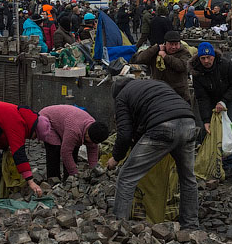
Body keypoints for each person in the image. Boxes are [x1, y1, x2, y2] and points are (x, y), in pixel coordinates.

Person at [105, 77, 198, 227]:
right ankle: (191, 224)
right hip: (189, 123)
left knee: (126, 177)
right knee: (188, 178)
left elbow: (124, 135)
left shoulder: (122, 97)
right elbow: (146, 120)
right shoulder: (156, 84)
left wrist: (115, 158)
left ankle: (119, 226)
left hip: (163, 127)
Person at [35, 105, 107, 179]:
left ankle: (67, 178)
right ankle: (53, 179)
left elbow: (93, 150)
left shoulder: (95, 129)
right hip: (47, 120)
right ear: (87, 135)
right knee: (55, 149)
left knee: (74, 148)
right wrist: (74, 173)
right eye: (91, 141)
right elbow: (65, 152)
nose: (92, 144)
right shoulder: (74, 130)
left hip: (65, 121)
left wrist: (94, 169)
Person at [191, 42, 232, 135]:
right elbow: (202, 97)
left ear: (213, 56)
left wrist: (223, 101)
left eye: (209, 57)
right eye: (203, 58)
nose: (206, 61)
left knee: (229, 125)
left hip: (229, 98)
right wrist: (206, 120)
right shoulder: (197, 72)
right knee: (209, 127)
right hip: (209, 100)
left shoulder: (226, 65)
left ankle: (230, 147)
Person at [132, 30, 192, 103]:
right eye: (171, 44)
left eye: (176, 44)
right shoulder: (156, 52)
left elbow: (182, 66)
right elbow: (140, 59)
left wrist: (165, 56)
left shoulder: (184, 53)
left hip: (179, 94)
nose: (173, 47)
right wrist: (156, 48)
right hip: (159, 92)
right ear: (165, 43)